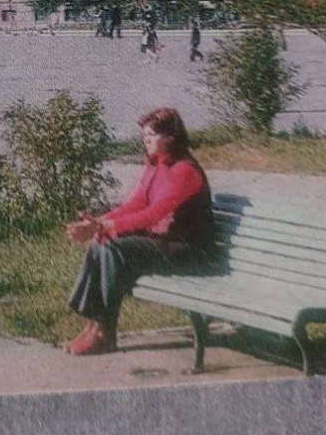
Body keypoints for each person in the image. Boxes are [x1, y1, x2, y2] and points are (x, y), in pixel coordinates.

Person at [64, 107, 214, 356]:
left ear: (171, 138)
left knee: (113, 248)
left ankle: (104, 333)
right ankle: (93, 326)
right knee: (102, 243)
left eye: (151, 135)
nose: (145, 141)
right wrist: (98, 224)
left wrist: (103, 227)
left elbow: (153, 214)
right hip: (165, 243)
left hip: (190, 251)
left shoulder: (185, 171)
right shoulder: (156, 165)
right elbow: (135, 205)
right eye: (144, 135)